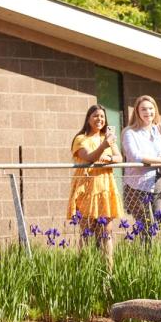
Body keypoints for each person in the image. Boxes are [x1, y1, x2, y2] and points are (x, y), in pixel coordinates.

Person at [66, 104, 123, 267]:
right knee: (87, 232)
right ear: (88, 119)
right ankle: (82, 268)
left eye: (102, 117)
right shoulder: (81, 139)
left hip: (105, 186)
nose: (99, 119)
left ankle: (108, 270)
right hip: (86, 188)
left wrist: (110, 158)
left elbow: (119, 157)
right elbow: (89, 157)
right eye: (96, 116)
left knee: (107, 232)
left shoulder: (108, 138)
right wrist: (104, 146)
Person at [121, 95, 161, 233]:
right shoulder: (129, 132)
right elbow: (135, 156)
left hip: (158, 181)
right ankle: (143, 254)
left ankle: (150, 254)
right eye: (143, 109)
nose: (148, 112)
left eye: (150, 108)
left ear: (155, 110)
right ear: (137, 111)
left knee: (154, 226)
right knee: (145, 226)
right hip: (136, 186)